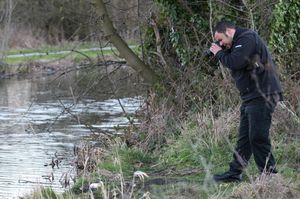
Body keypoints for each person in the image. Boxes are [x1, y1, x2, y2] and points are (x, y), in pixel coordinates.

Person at [209, 21, 283, 182]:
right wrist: (222, 51)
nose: (220, 44)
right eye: (219, 42)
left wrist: (218, 52)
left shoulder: (247, 38)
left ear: (228, 31)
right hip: (251, 96)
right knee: (244, 138)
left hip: (264, 94)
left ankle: (270, 176)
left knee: (257, 136)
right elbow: (233, 60)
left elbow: (236, 62)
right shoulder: (236, 43)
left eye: (221, 40)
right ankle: (234, 173)